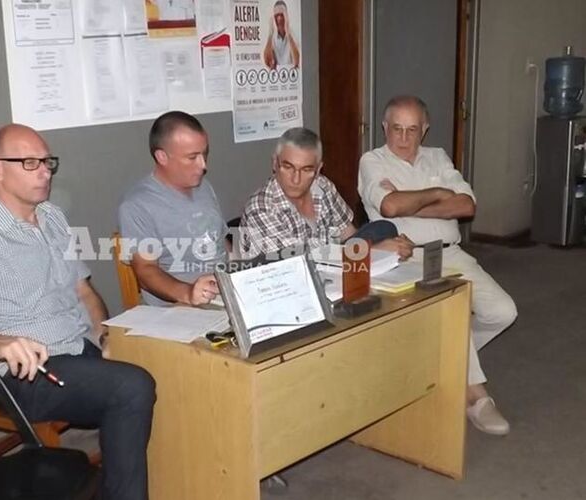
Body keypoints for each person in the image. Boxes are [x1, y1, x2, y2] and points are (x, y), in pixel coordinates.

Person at [0, 124, 155, 500]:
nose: (44, 171)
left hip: (77, 348)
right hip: (28, 371)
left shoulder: (53, 217)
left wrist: (104, 334)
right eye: (30, 163)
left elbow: (83, 290)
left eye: (47, 162)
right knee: (132, 387)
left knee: (169, 364)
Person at [358, 95, 517, 435]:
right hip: (406, 259)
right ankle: (476, 397)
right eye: (396, 129)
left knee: (504, 311)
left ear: (425, 129)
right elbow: (389, 207)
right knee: (454, 314)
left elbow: (466, 207)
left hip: (452, 254)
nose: (402, 138)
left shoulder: (438, 156)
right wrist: (438, 194)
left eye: (412, 130)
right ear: (385, 127)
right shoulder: (372, 161)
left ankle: (446, 360)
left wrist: (411, 201)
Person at [240, 127, 414, 261]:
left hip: (331, 274)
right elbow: (299, 269)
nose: (295, 178)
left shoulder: (322, 186)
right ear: (274, 164)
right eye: (288, 167)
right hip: (283, 288)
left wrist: (386, 248)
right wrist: (374, 252)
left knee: (384, 229)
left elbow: (350, 236)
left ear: (317, 170)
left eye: (306, 169)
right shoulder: (261, 208)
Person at [118, 111, 228, 307]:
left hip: (224, 294)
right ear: (162, 156)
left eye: (204, 154)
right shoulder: (138, 204)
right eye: (192, 157)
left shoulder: (204, 187)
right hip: (180, 306)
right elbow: (146, 271)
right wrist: (189, 293)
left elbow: (220, 242)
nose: (203, 165)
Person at [262, 0, 300, 69]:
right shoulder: (272, 38)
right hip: (278, 76)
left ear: (286, 16)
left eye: (282, 15)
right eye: (276, 15)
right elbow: (269, 63)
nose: (279, 19)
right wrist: (270, 34)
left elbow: (296, 62)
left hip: (292, 75)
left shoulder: (294, 34)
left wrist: (288, 33)